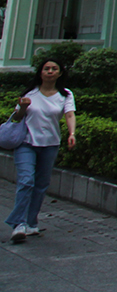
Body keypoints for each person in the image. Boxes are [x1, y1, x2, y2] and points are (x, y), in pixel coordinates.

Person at [6, 58, 76, 243]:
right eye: (47, 69)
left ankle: (31, 223)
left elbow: (69, 114)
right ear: (41, 72)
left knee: (41, 185)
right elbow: (17, 118)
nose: (50, 71)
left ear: (60, 73)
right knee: (26, 180)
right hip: (26, 143)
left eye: (54, 69)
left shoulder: (65, 94)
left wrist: (72, 133)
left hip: (50, 144)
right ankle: (18, 224)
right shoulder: (31, 93)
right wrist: (22, 107)